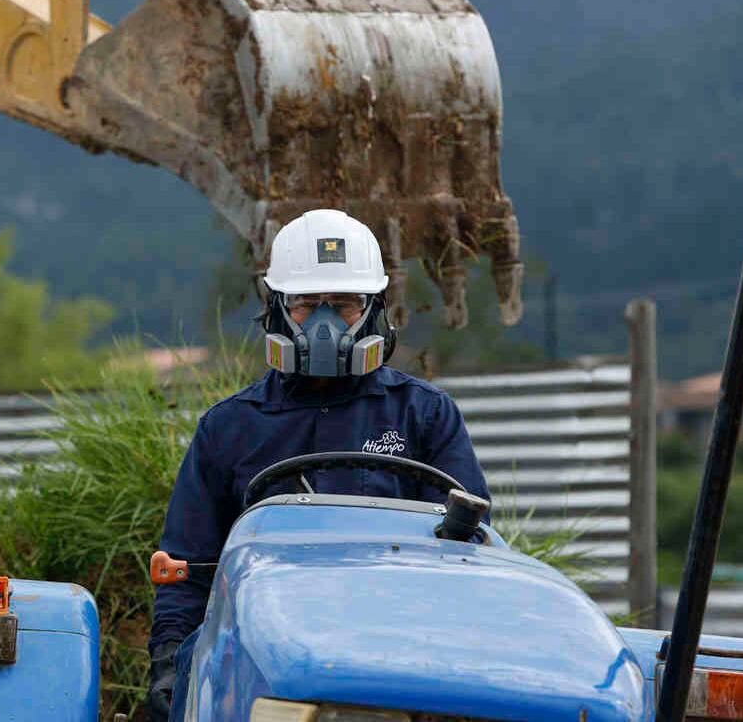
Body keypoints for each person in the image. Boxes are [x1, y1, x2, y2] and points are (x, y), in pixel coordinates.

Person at [145, 209, 491, 721]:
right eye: (308, 305)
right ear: (278, 310)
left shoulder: (423, 413)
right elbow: (187, 568)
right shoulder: (230, 427)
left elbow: (472, 549)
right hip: (264, 655)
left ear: (373, 309)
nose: (326, 323)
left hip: (398, 650)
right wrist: (172, 666)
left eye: (345, 306)